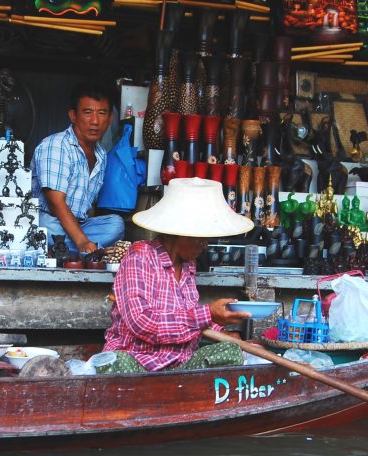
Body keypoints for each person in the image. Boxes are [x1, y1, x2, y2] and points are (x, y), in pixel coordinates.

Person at [101, 177, 254, 373]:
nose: (204, 245)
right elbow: (142, 323)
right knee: (117, 364)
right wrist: (208, 313)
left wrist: (223, 332)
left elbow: (186, 315)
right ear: (181, 232)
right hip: (138, 364)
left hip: (180, 367)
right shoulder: (140, 256)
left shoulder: (188, 264)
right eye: (200, 239)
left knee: (231, 351)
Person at [31, 81, 125, 255]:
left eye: (102, 113)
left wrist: (84, 236)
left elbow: (89, 208)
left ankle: (64, 249)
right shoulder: (56, 145)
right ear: (73, 115)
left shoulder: (101, 155)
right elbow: (55, 203)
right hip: (50, 221)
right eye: (87, 112)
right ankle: (84, 250)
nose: (95, 121)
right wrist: (82, 241)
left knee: (116, 225)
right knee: (42, 226)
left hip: (78, 225)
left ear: (110, 118)